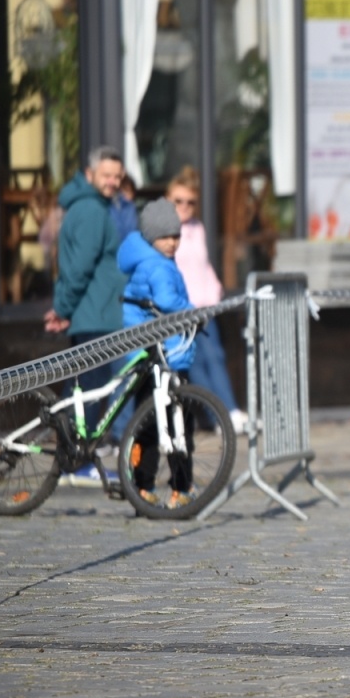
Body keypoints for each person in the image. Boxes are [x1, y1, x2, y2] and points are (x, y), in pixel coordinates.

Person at [45, 146, 128, 486]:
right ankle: (74, 462)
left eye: (118, 177)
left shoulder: (85, 207)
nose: (113, 182)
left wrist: (64, 307)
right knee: (89, 391)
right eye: (107, 175)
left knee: (81, 388)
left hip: (93, 310)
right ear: (90, 174)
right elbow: (78, 268)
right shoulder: (92, 211)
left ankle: (70, 458)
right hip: (95, 314)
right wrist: (63, 307)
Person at [116, 199, 198, 507]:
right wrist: (193, 312)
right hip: (162, 354)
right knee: (175, 424)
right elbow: (166, 301)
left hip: (154, 354)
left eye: (176, 236)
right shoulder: (157, 265)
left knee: (150, 422)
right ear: (151, 237)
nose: (172, 242)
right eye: (165, 237)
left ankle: (142, 487)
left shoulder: (151, 260)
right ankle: (179, 487)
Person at [165, 167, 247, 433]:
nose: (185, 207)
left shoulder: (197, 228)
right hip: (181, 309)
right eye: (178, 201)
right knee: (196, 364)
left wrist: (215, 288)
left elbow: (203, 265)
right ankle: (218, 417)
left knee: (216, 357)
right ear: (168, 200)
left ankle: (231, 411)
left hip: (204, 305)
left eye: (191, 202)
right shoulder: (164, 232)